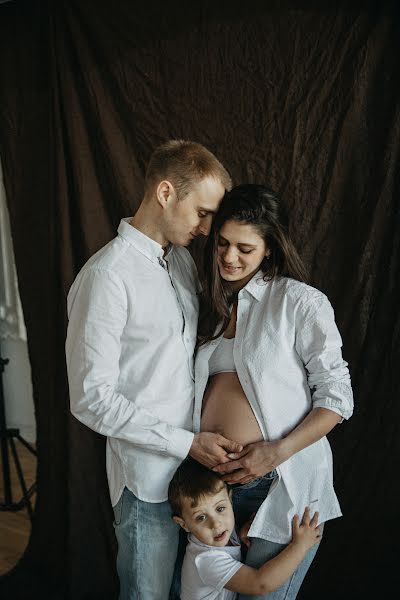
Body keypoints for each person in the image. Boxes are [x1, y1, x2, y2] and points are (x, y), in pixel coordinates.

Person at [65, 140, 242, 600]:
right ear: (166, 192)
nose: (206, 229)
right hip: (145, 481)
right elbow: (90, 398)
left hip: (196, 480)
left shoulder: (180, 262)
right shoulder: (107, 277)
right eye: (201, 213)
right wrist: (188, 443)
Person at [194, 184, 354, 599]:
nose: (229, 257)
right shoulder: (211, 307)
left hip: (280, 483)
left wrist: (276, 451)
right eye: (223, 244)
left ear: (270, 249)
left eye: (244, 249)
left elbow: (337, 398)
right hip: (215, 491)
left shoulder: (299, 303)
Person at [168, 458, 322, 599]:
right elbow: (261, 584)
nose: (216, 524)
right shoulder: (205, 560)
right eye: (201, 518)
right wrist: (299, 546)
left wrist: (240, 534)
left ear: (230, 499)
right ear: (184, 524)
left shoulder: (218, 534)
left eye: (220, 509)